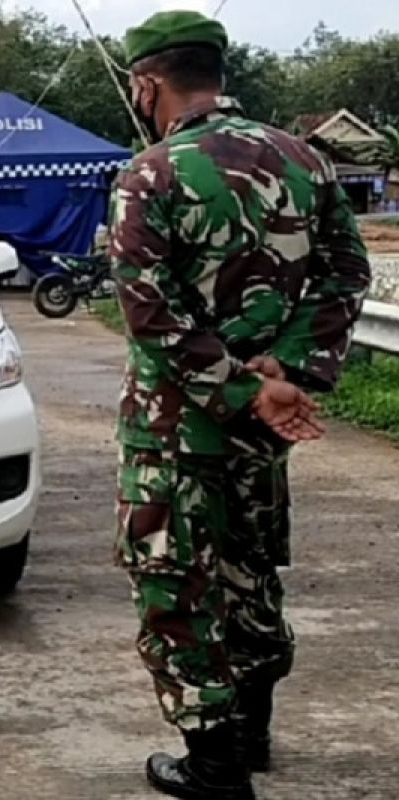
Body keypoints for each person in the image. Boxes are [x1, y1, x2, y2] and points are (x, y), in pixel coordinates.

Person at [111, 12, 371, 800]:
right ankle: (252, 734)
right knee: (250, 573)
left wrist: (233, 388)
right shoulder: (306, 162)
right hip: (264, 428)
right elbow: (345, 275)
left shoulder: (150, 175)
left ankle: (215, 765)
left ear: (148, 84)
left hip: (174, 431)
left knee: (174, 584)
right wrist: (283, 374)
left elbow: (150, 314)